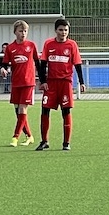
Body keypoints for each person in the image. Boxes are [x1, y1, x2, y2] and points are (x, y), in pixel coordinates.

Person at [35, 18, 86, 151]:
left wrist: (82, 82)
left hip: (65, 83)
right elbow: (43, 64)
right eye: (60, 30)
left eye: (65, 30)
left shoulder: (72, 45)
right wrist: (43, 81)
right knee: (45, 110)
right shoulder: (48, 44)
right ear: (55, 30)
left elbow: (78, 64)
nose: (63, 32)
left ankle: (66, 143)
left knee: (66, 111)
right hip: (51, 83)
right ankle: (44, 141)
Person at [0, 19, 39, 146]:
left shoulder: (31, 45)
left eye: (25, 31)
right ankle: (29, 136)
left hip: (28, 82)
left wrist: (42, 79)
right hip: (16, 83)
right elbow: (5, 63)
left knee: (22, 109)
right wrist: (3, 69)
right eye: (21, 31)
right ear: (15, 32)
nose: (23, 33)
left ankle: (15, 137)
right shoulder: (10, 48)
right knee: (18, 110)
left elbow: (38, 62)